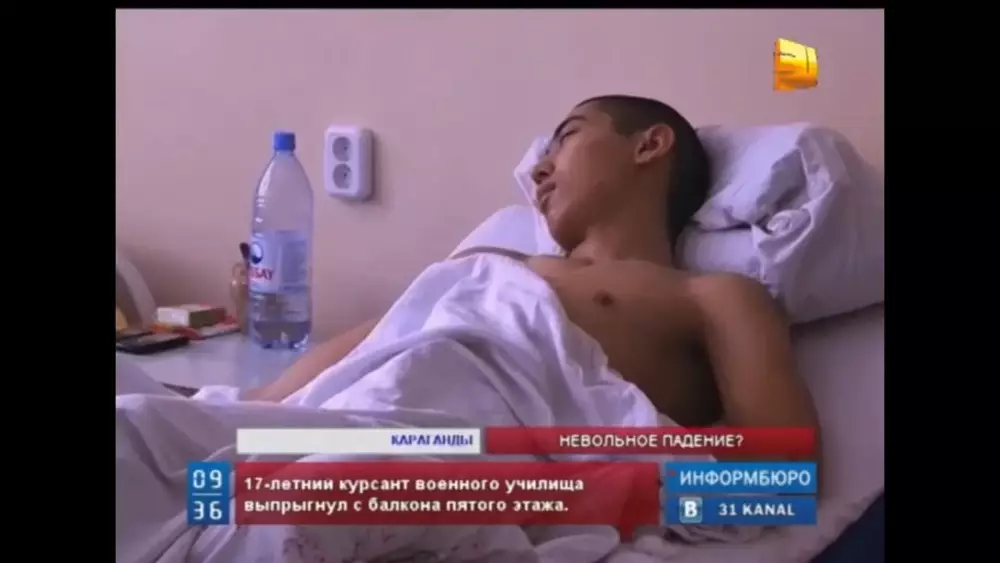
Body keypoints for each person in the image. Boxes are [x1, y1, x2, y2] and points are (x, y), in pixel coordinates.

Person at [246, 95, 819, 452]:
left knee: (289, 505)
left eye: (566, 138)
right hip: (340, 423)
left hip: (449, 462)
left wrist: (605, 491)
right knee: (190, 453)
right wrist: (244, 410)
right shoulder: (489, 262)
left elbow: (782, 472)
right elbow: (371, 345)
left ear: (649, 146)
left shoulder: (711, 296)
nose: (539, 169)